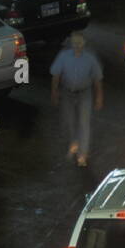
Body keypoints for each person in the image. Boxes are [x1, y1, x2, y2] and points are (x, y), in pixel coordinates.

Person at [50, 31, 104, 168]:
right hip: (67, 93)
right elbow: (55, 75)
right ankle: (74, 142)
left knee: (84, 123)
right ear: (71, 44)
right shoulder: (63, 56)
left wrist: (99, 97)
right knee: (69, 121)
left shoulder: (90, 58)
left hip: (85, 94)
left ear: (84, 43)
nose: (77, 46)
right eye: (75, 43)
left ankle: (82, 155)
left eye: (80, 43)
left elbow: (97, 79)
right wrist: (54, 92)